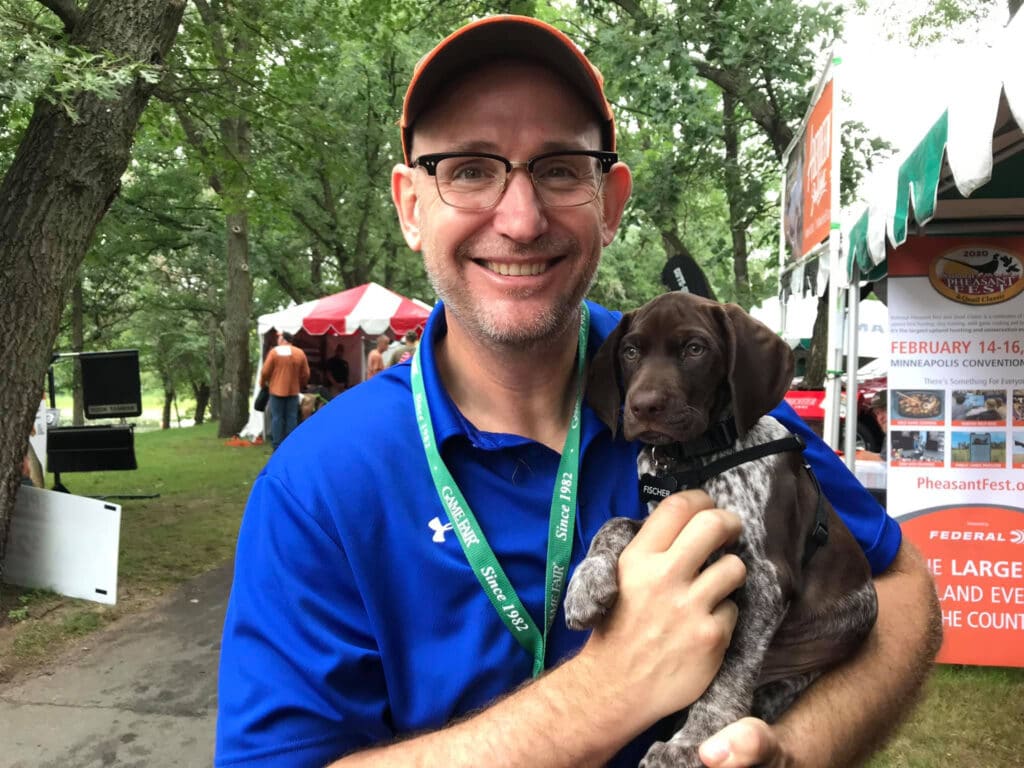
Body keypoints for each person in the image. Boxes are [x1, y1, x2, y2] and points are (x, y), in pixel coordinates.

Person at [217, 16, 941, 768]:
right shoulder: (319, 483)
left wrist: (789, 750)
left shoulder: (710, 399)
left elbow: (900, 591)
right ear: (409, 205)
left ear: (610, 198)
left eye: (560, 168)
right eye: (468, 169)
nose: (521, 220)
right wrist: (602, 692)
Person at [259, 330, 310, 450]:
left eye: (279, 338)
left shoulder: (274, 352)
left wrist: (263, 384)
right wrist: (301, 384)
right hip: (293, 391)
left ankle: (277, 445)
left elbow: (265, 371)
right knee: (291, 417)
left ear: (283, 340)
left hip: (276, 391)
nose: (277, 340)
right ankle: (291, 444)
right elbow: (306, 373)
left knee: (277, 417)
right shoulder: (300, 353)